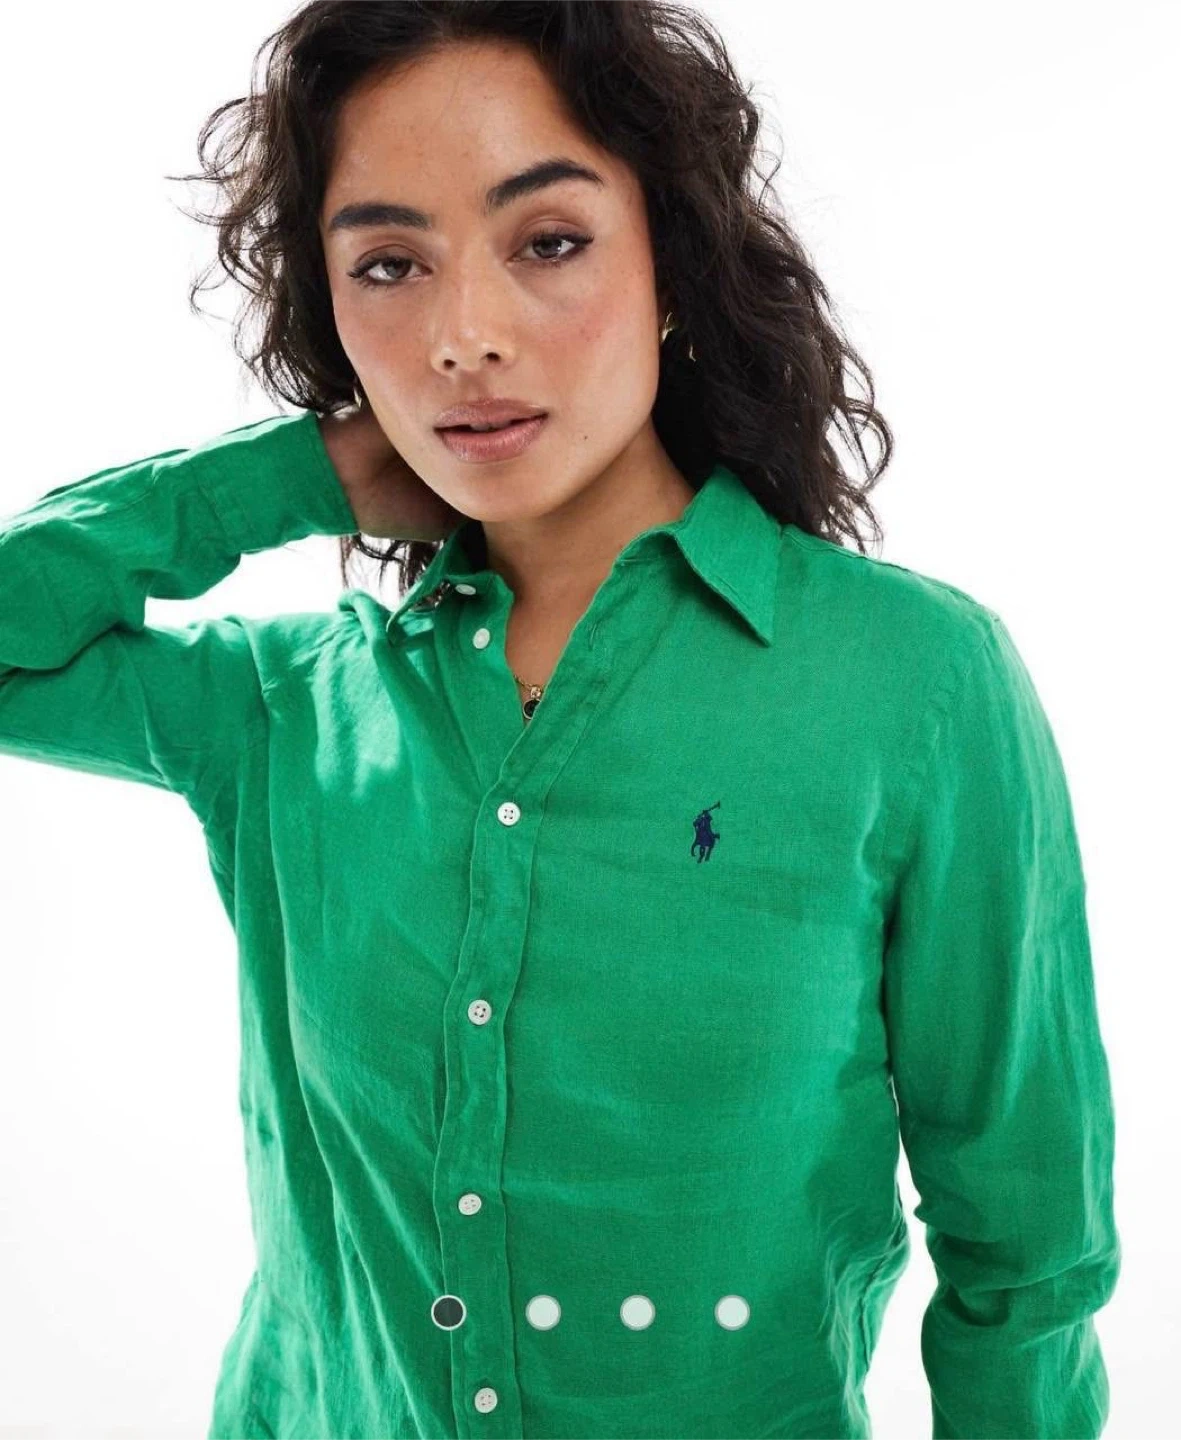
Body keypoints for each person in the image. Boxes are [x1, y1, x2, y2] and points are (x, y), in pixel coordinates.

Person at [0, 2, 1120, 1437]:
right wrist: (299, 477)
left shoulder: (914, 683)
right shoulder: (285, 706)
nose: (464, 338)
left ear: (671, 264)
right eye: (389, 266)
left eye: (547, 242)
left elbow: (1025, 1249)